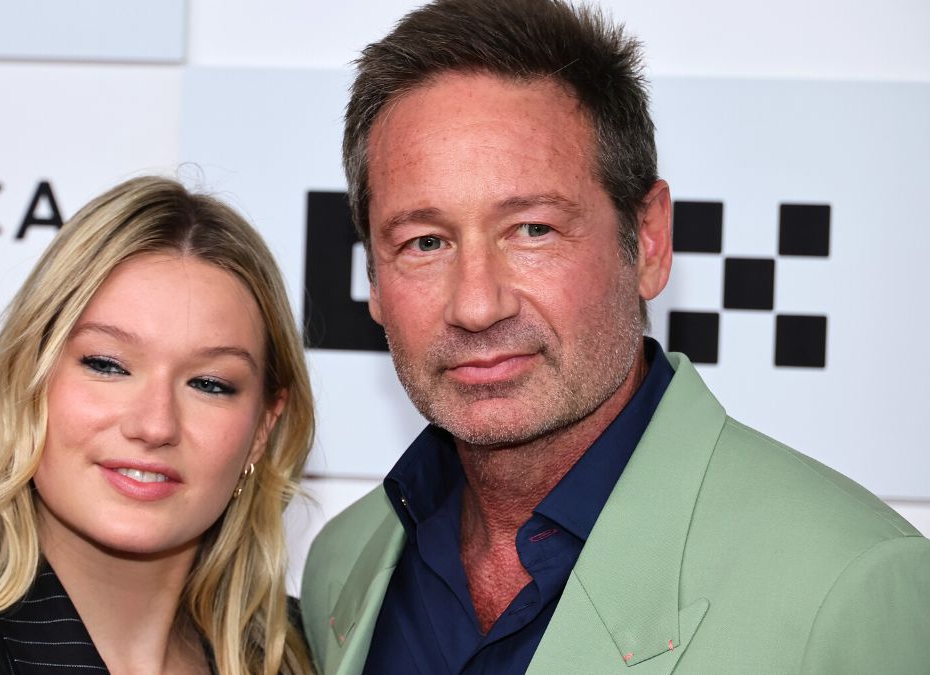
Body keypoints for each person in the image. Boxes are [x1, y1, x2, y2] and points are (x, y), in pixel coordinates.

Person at [300, 1, 930, 673]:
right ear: (372, 273)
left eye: (533, 229)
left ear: (650, 240)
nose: (477, 305)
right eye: (425, 242)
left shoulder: (846, 586)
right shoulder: (343, 566)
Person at [0, 176, 315, 675]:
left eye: (209, 383)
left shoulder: (308, 657)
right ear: (27, 381)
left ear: (262, 431)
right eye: (107, 364)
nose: (155, 424)